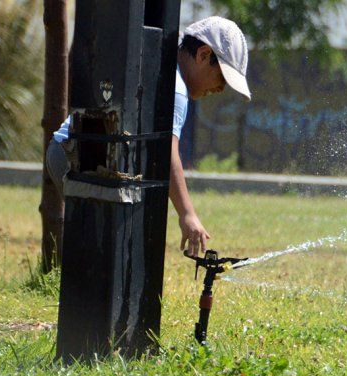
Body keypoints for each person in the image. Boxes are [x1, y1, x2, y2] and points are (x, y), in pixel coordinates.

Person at [46, 16, 251, 257]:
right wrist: (187, 214)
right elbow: (168, 154)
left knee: (103, 242)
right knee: (109, 249)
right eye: (222, 78)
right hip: (78, 156)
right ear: (203, 55)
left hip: (68, 150)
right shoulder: (177, 90)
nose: (221, 88)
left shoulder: (161, 66)